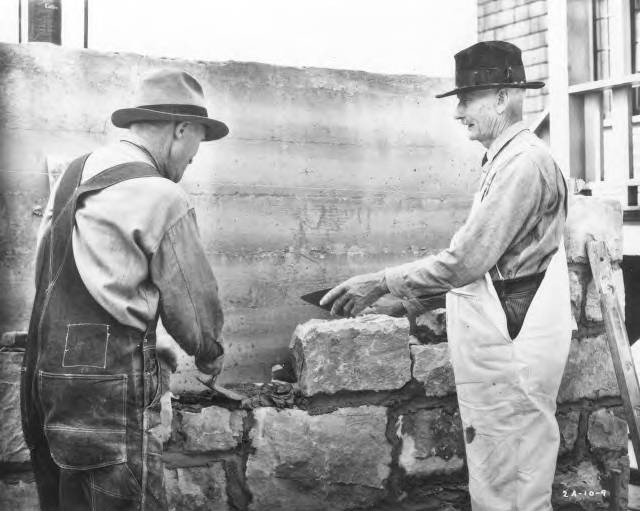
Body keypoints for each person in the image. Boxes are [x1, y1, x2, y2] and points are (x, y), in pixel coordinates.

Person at [321, 41, 572, 510]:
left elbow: (466, 262)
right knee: (503, 476)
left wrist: (380, 282)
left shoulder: (523, 163)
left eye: (467, 99)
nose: (458, 113)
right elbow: (492, 263)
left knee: (513, 482)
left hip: (512, 348)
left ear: (502, 97)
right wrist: (409, 299)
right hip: (505, 341)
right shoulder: (506, 160)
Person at [21, 69, 228, 510]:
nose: (195, 156)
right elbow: (194, 307)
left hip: (49, 380)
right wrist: (210, 355)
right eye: (198, 141)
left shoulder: (75, 173)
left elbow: (80, 273)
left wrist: (154, 343)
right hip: (111, 394)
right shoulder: (162, 194)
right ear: (181, 129)